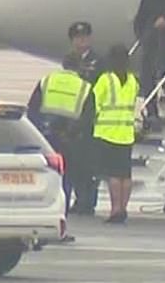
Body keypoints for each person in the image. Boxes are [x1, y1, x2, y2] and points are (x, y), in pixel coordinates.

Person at [26, 53, 94, 236]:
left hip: (46, 138)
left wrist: (40, 131)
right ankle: (60, 227)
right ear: (79, 67)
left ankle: (38, 224)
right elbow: (88, 118)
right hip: (69, 140)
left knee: (44, 180)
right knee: (65, 182)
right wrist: (71, 133)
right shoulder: (85, 87)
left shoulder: (46, 81)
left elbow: (32, 110)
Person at [92, 44, 139, 223]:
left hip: (108, 132)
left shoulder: (106, 79)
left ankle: (115, 209)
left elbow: (95, 102)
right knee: (125, 175)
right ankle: (124, 208)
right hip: (126, 133)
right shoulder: (133, 81)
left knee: (113, 175)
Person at [66, 21, 102, 214]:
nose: (81, 41)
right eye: (78, 38)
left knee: (89, 164)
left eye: (84, 37)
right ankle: (80, 199)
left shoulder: (98, 61)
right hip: (72, 116)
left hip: (90, 118)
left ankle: (89, 201)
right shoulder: (69, 60)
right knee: (75, 163)